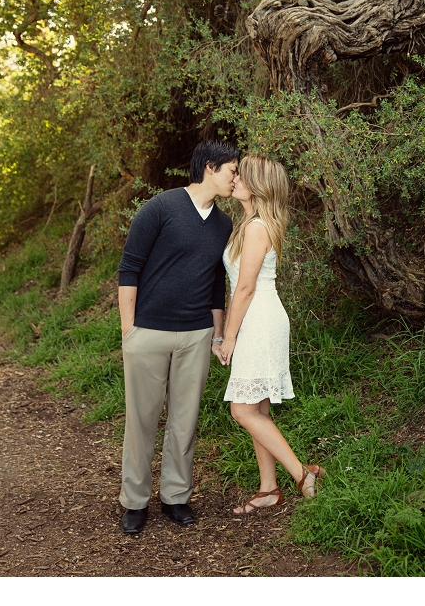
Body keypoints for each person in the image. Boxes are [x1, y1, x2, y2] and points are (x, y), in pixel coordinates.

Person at [117, 139, 239, 534]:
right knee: (142, 420)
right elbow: (129, 269)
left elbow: (217, 282)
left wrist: (218, 334)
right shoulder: (160, 208)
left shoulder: (224, 224)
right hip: (148, 332)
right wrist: (129, 332)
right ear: (209, 167)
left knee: (185, 421)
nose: (236, 178)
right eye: (232, 170)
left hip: (196, 335)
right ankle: (135, 502)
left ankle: (175, 496)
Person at [214, 155, 321, 513]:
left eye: (242, 176)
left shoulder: (258, 227)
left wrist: (227, 338)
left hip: (258, 320)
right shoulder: (247, 223)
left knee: (241, 410)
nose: (235, 180)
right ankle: (268, 489)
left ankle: (302, 474)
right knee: (257, 406)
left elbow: (244, 289)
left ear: (258, 185)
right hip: (255, 318)